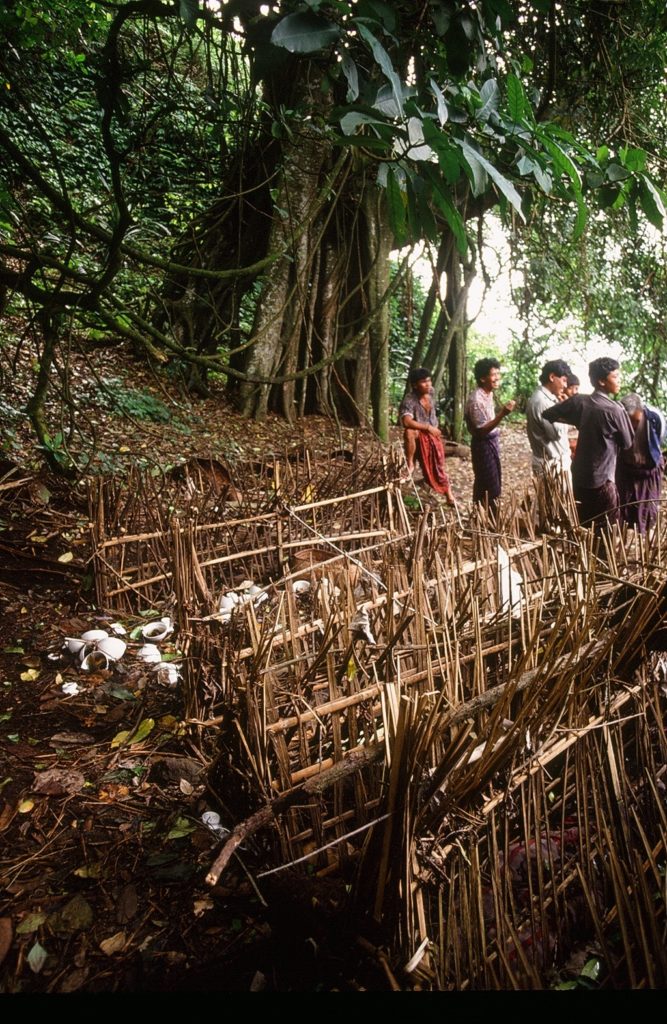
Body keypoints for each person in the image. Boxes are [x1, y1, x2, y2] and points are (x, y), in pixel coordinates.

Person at [542, 356, 634, 531]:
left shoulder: (579, 401)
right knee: (605, 532)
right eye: (615, 377)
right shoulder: (615, 410)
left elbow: (548, 414)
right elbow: (627, 443)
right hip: (603, 481)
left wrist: (578, 420)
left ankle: (585, 558)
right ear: (601, 381)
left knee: (584, 529)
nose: (619, 380)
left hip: (579, 478)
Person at [464, 357, 516, 512]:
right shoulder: (476, 400)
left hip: (491, 442)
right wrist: (502, 414)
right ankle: (489, 522)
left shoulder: (488, 394)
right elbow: (480, 431)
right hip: (483, 445)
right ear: (482, 378)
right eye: (494, 375)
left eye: (498, 374)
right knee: (489, 486)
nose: (497, 378)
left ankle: (482, 519)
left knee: (488, 483)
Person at [399, 367, 456, 504]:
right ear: (414, 385)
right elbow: (406, 421)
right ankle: (410, 463)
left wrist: (433, 429)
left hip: (433, 435)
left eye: (429, 380)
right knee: (409, 432)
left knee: (438, 467)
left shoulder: (431, 393)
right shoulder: (409, 399)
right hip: (419, 433)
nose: (428, 384)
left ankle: (448, 495)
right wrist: (427, 428)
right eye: (424, 382)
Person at [615, 393, 666, 534]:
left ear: (642, 411)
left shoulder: (654, 418)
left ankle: (646, 541)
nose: (632, 426)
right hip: (626, 470)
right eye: (628, 421)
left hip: (649, 470)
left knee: (647, 510)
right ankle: (624, 539)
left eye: (636, 421)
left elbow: (659, 442)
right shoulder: (616, 418)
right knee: (624, 509)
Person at [525, 359, 572, 476]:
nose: (565, 385)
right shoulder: (543, 402)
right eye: (564, 380)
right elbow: (556, 434)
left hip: (552, 463)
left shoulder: (545, 398)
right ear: (552, 377)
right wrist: (565, 411)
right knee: (557, 495)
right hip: (552, 466)